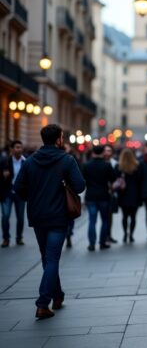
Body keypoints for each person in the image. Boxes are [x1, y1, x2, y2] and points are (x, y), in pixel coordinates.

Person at [14, 124, 85, 319]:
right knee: (52, 258)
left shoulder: (29, 162)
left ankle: (58, 295)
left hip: (37, 216)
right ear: (58, 139)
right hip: (58, 215)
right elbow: (79, 187)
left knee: (47, 258)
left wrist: (35, 196)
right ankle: (42, 303)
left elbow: (18, 188)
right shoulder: (67, 160)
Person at [82, 145, 116, 251]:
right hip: (103, 195)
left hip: (91, 195)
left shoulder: (86, 165)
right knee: (105, 220)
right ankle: (102, 243)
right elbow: (113, 179)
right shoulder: (107, 165)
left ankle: (92, 244)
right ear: (102, 152)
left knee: (92, 221)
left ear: (93, 153)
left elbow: (83, 180)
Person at [2, 140, 26, 247]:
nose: (19, 149)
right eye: (17, 147)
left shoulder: (25, 162)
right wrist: (3, 176)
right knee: (5, 216)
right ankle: (6, 238)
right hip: (7, 193)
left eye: (20, 147)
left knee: (20, 217)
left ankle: (19, 238)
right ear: (12, 149)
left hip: (20, 194)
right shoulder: (4, 162)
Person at [116, 149, 141, 243]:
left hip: (123, 195)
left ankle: (125, 234)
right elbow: (140, 180)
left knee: (124, 216)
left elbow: (116, 179)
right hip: (135, 195)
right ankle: (131, 235)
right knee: (133, 217)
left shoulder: (119, 167)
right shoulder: (137, 167)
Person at [102, 144, 119, 244]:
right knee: (104, 217)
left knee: (110, 215)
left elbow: (116, 178)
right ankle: (103, 236)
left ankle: (108, 235)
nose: (107, 153)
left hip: (111, 193)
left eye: (109, 150)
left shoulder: (115, 163)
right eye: (105, 150)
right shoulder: (100, 162)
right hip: (101, 192)